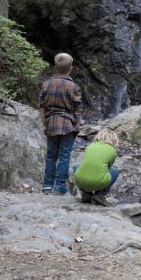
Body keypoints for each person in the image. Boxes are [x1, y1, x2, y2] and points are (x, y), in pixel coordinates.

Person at [39, 52, 82, 195]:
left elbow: (42, 106)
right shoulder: (73, 86)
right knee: (64, 156)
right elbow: (77, 108)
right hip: (67, 125)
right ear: (71, 68)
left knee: (51, 155)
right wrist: (78, 125)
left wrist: (44, 124)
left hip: (51, 123)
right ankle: (59, 187)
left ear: (55, 67)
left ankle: (47, 186)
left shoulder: (46, 84)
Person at [72, 128, 120, 206]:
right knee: (114, 172)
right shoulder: (113, 151)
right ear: (114, 140)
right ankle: (99, 195)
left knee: (76, 167)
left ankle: (86, 193)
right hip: (99, 182)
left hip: (81, 180)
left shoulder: (90, 146)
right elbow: (108, 168)